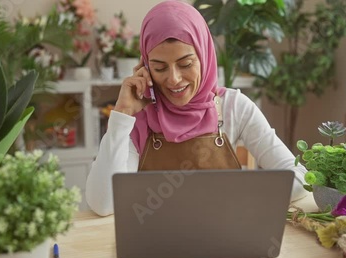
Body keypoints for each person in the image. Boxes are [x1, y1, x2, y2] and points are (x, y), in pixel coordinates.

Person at [85, 0, 308, 216]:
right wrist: (122, 114)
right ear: (145, 66)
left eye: (186, 64)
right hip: (157, 248)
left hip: (226, 243)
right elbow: (103, 203)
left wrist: (239, 195)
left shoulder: (234, 107)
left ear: (204, 56)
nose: (174, 79)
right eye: (159, 67)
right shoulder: (139, 115)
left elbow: (301, 178)